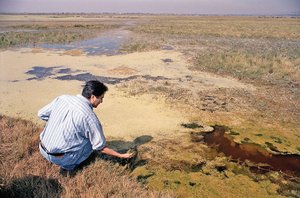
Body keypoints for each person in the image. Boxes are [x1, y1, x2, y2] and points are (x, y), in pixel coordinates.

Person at [38, 80, 133, 175]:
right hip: (61, 158)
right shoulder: (89, 117)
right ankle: (68, 168)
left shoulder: (62, 98)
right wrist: (120, 155)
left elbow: (41, 114)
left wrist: (59, 122)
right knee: (90, 143)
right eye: (101, 98)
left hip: (42, 148)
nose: (101, 101)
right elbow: (100, 147)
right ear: (92, 97)